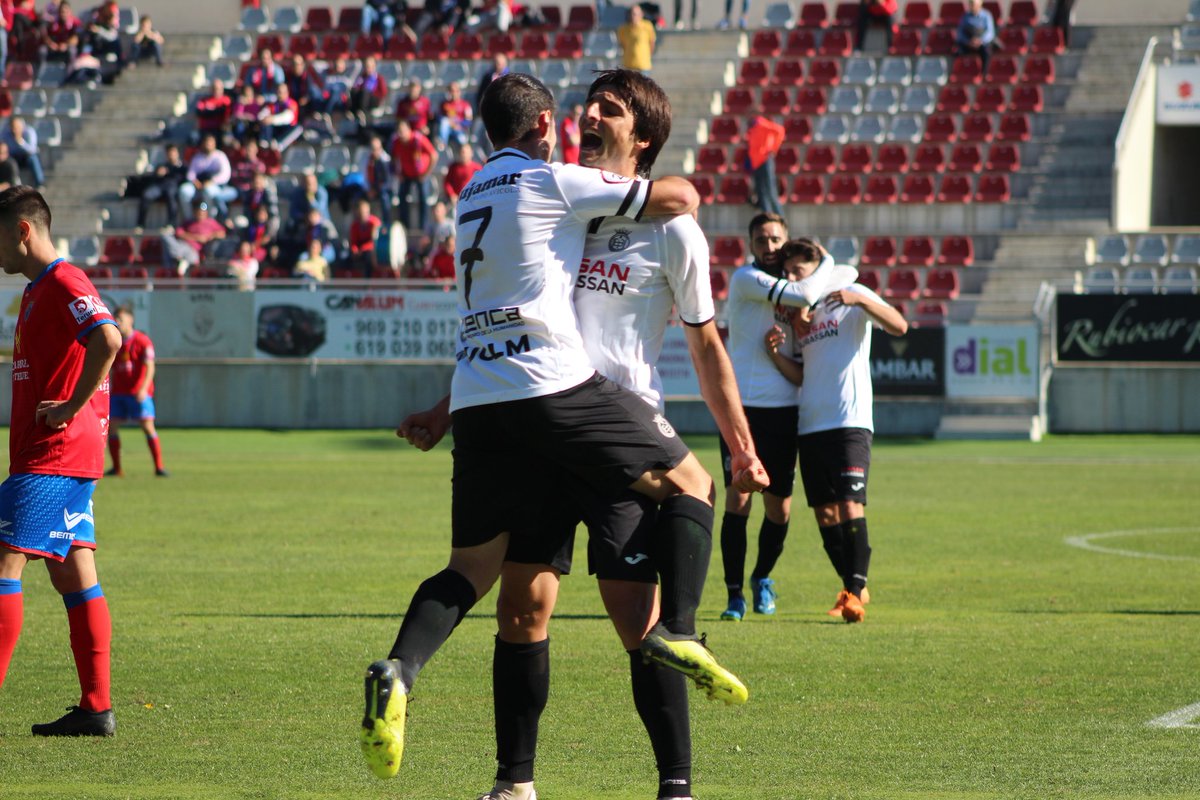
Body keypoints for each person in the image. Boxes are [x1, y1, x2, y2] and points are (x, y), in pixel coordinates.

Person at [360, 71, 760, 783]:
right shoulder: (556, 195)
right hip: (544, 425)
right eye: (591, 104)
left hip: (617, 436)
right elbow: (515, 327)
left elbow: (706, 347)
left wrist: (742, 446)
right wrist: (444, 409)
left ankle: (676, 785)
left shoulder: (671, 234)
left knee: (638, 624)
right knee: (522, 612)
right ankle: (513, 783)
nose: (591, 115)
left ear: (643, 138)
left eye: (612, 109)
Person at [0, 185, 123, 737]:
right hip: (63, 457)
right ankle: (97, 708)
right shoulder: (35, 290)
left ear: (22, 231)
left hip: (51, 458)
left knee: (3, 562)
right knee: (75, 572)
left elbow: (108, 338)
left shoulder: (63, 280)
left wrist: (72, 406)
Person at [764, 238, 908, 623]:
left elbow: (899, 325)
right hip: (811, 423)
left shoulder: (852, 291)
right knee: (826, 514)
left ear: (817, 266)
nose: (793, 277)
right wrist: (776, 353)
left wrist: (858, 301)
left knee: (849, 505)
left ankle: (855, 592)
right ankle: (852, 587)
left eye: (798, 270)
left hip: (849, 420)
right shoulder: (801, 313)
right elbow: (802, 374)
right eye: (788, 272)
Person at [719, 229, 856, 620]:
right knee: (739, 497)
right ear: (750, 244)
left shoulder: (797, 293)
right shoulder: (749, 279)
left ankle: (761, 577)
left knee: (779, 509)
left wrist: (819, 266)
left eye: (776, 237)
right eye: (761, 238)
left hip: (782, 410)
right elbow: (806, 291)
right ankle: (734, 595)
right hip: (742, 408)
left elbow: (848, 273)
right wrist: (824, 263)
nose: (769, 244)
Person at [106, 307, 167, 477]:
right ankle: (117, 468)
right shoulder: (115, 342)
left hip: (139, 393)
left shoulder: (142, 341)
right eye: (116, 318)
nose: (118, 321)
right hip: (119, 392)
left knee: (147, 427)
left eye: (121, 318)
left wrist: (143, 389)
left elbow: (150, 367)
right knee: (112, 427)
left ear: (130, 320)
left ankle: (159, 467)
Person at [391, 118, 437, 231]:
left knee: (423, 198)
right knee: (402, 197)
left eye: (403, 131)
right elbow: (394, 158)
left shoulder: (418, 139)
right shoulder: (397, 142)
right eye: (399, 131)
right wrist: (399, 173)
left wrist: (426, 173)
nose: (402, 134)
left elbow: (434, 155)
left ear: (409, 130)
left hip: (421, 175)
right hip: (406, 174)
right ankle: (404, 226)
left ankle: (423, 228)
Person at [178, 134, 236, 220]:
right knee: (184, 190)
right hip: (198, 185)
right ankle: (189, 219)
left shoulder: (220, 156)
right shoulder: (198, 157)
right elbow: (190, 174)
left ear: (215, 144)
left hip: (216, 186)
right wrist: (195, 182)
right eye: (206, 142)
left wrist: (211, 182)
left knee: (208, 191)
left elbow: (225, 174)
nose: (208, 144)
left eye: (210, 142)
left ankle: (210, 219)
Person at [133, 142, 186, 232]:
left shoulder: (182, 167)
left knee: (171, 195)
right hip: (160, 187)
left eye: (173, 152)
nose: (171, 155)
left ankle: (171, 224)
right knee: (147, 194)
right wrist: (158, 174)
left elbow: (182, 178)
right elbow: (154, 178)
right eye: (169, 153)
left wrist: (169, 172)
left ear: (177, 153)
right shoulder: (162, 166)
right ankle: (140, 224)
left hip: (172, 187)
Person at [162, 201, 226, 274]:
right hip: (183, 246)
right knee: (166, 236)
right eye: (199, 213)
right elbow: (179, 233)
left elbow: (222, 233)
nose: (200, 215)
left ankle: (181, 261)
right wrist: (196, 237)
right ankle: (181, 261)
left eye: (202, 213)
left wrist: (210, 236)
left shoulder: (211, 222)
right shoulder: (189, 222)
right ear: (195, 212)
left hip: (194, 252)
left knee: (182, 254)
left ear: (206, 213)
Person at [745, 115, 784, 217]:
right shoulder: (752, 128)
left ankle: (779, 219)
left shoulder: (760, 123)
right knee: (761, 193)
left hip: (764, 161)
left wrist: (774, 149)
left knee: (770, 191)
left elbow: (779, 131)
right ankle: (767, 217)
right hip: (756, 163)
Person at [955, 0, 996, 76]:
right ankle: (961, 73)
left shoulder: (986, 15)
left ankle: (984, 74)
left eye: (974, 5)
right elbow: (960, 33)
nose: (973, 7)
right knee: (958, 52)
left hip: (982, 43)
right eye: (971, 4)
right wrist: (968, 41)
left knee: (987, 51)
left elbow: (990, 33)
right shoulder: (965, 17)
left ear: (980, 4)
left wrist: (980, 41)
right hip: (969, 42)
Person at [2, 117, 45, 190]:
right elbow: (5, 147)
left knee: (33, 158)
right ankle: (12, 183)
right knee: (8, 161)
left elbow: (32, 150)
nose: (14, 130)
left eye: (16, 127)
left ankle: (40, 182)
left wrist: (20, 142)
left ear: (22, 126)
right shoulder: (6, 133)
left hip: (27, 156)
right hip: (14, 157)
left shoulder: (29, 132)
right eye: (12, 127)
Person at [346, 197, 381, 277]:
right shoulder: (355, 225)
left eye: (365, 212)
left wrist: (362, 250)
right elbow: (353, 241)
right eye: (361, 212)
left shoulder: (374, 223)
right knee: (345, 259)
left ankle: (367, 282)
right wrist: (355, 250)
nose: (363, 214)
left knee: (368, 258)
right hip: (359, 251)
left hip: (370, 250)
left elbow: (374, 241)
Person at [617, 4, 656, 72]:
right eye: (631, 14)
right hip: (629, 66)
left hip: (643, 66)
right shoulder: (623, 28)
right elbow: (622, 45)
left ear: (641, 15)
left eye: (635, 14)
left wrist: (647, 57)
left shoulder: (647, 26)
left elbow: (652, 43)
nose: (632, 16)